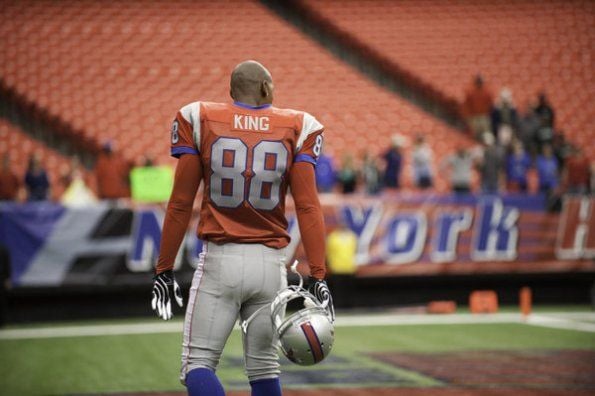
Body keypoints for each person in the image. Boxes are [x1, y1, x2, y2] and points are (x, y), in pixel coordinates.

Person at [151, 60, 334, 396]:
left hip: (221, 259)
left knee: (198, 364)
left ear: (231, 91)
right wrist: (318, 275)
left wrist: (163, 268)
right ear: (265, 88)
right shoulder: (297, 125)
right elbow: (308, 207)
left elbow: (180, 203)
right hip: (270, 266)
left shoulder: (200, 117)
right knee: (264, 368)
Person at [325, 219, 357, 309]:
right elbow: (329, 253)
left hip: (349, 267)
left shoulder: (351, 236)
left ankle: (349, 306)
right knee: (338, 290)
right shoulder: (333, 237)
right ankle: (339, 306)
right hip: (337, 268)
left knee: (349, 290)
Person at [462, 74, 493, 139]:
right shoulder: (470, 92)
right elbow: (467, 106)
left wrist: (488, 114)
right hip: (474, 117)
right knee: (475, 135)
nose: (479, 83)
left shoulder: (487, 92)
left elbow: (490, 105)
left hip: (483, 116)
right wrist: (469, 117)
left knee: (486, 134)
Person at [0, 243, 11, 327]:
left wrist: (7, 279)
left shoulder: (3, 250)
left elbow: (7, 266)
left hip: (1, 279)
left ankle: (2, 322)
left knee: (2, 301)